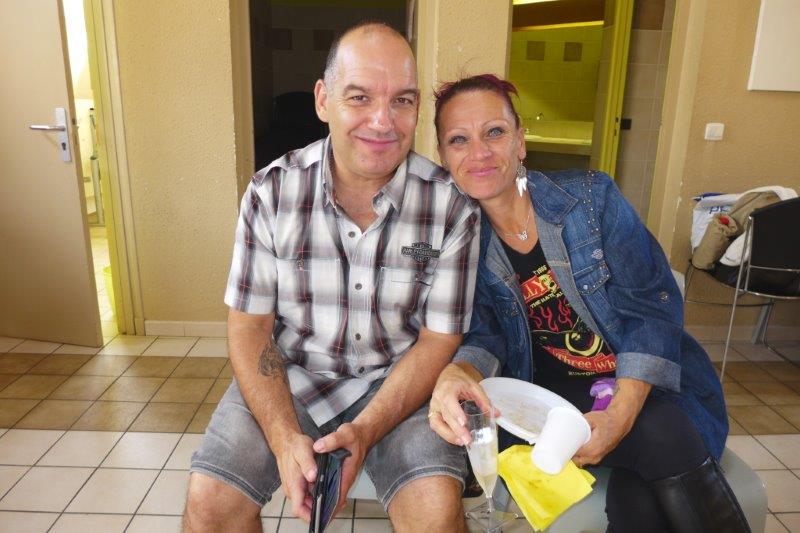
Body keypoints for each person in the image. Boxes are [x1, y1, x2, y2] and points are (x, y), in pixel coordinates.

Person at [182, 23, 480, 532]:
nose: (382, 121)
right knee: (209, 504)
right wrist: (282, 438)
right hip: (291, 374)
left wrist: (365, 430)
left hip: (400, 384)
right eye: (359, 97)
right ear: (323, 100)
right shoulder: (271, 194)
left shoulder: (451, 206)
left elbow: (438, 339)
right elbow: (250, 327)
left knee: (435, 511)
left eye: (402, 100)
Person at [427, 74, 750, 533]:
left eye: (494, 132)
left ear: (520, 141)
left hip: (644, 384)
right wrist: (459, 371)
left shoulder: (590, 201)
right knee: (660, 444)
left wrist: (620, 415)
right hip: (551, 399)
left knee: (645, 486)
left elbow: (652, 307)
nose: (479, 152)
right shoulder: (461, 237)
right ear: (444, 157)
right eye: (459, 139)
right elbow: (486, 335)